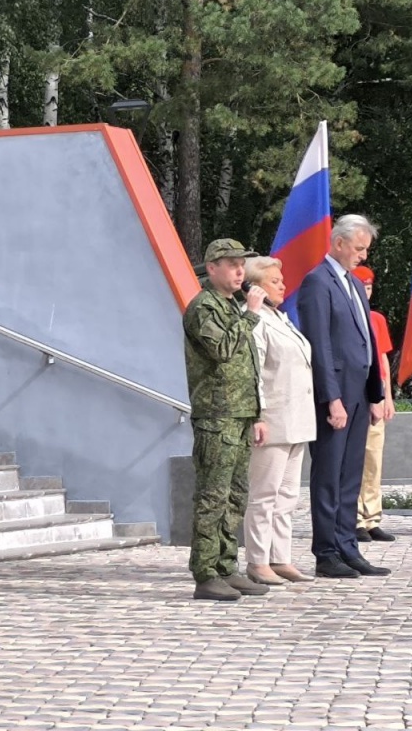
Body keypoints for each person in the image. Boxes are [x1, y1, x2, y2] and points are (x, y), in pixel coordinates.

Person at [297, 214, 387, 579]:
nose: (363, 256)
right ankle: (326, 552)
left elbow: (367, 340)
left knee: (351, 475)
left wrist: (375, 392)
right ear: (339, 243)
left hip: (359, 393)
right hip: (334, 396)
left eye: (366, 249)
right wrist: (331, 398)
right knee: (329, 475)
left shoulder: (352, 283)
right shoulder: (318, 282)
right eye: (359, 248)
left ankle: (348, 546)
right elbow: (319, 344)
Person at [184, 238, 272, 601]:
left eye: (242, 265)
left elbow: (248, 367)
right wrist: (251, 314)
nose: (240, 271)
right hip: (216, 416)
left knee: (235, 496)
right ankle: (205, 573)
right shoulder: (203, 307)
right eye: (233, 264)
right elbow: (221, 350)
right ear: (213, 268)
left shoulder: (232, 305)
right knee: (213, 496)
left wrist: (257, 413)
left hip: (239, 414)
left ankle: (225, 567)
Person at [241, 256, 316, 585]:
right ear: (254, 287)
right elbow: (253, 370)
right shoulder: (255, 319)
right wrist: (257, 415)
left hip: (297, 419)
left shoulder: (280, 318)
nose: (283, 285)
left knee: (287, 496)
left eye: (281, 280)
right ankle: (258, 561)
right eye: (274, 281)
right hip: (272, 419)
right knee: (264, 494)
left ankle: (280, 557)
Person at [352, 266, 396, 543]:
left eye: (368, 288)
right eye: (361, 286)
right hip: (355, 393)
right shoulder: (345, 315)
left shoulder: (376, 319)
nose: (365, 292)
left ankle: (372, 517)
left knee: (373, 459)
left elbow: (382, 360)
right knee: (355, 459)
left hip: (376, 394)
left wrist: (388, 396)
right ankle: (355, 517)